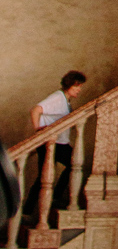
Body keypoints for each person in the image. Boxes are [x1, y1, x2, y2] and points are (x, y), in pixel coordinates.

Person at [23, 72, 87, 225]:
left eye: (80, 87)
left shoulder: (65, 100)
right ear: (69, 85)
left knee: (70, 167)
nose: (79, 90)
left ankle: (37, 205)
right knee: (50, 175)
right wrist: (38, 130)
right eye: (76, 86)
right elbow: (36, 110)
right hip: (51, 144)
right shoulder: (58, 97)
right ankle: (33, 207)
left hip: (60, 143)